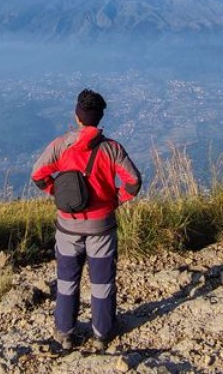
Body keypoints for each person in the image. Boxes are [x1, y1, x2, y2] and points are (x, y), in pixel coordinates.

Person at [31, 88, 143, 352]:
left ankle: (65, 333)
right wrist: (114, 199)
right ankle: (102, 332)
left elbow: (38, 176)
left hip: (68, 226)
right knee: (102, 282)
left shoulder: (60, 146)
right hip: (101, 226)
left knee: (67, 280)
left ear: (77, 116)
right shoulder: (112, 149)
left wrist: (57, 192)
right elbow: (134, 182)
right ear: (100, 117)